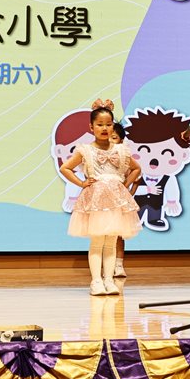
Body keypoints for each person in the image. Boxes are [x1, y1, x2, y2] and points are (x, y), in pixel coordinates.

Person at [57, 99, 141, 295]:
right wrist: (82, 183)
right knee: (97, 241)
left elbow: (136, 169)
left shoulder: (121, 150)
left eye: (108, 124)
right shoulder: (85, 150)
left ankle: (109, 280)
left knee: (111, 241)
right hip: (96, 200)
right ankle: (96, 281)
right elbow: (65, 168)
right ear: (91, 127)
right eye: (100, 124)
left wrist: (123, 184)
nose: (104, 128)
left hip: (115, 200)